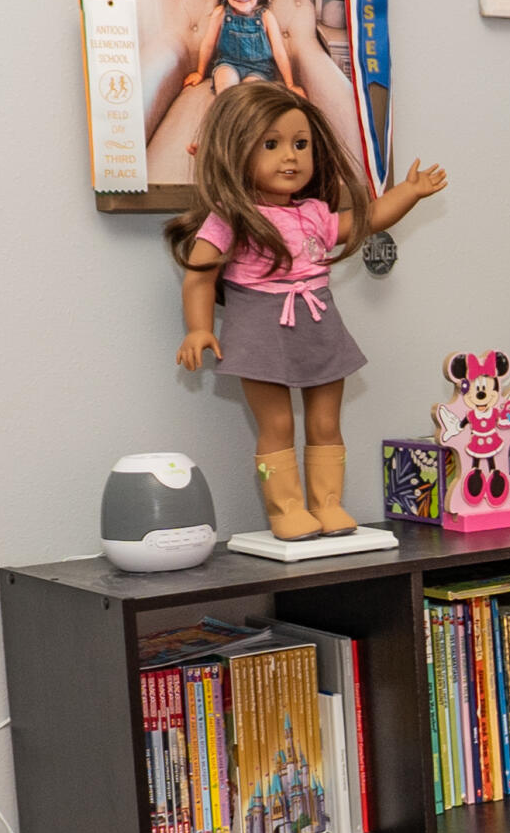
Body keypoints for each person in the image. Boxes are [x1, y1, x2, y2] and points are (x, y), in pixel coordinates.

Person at [165, 85, 447, 538]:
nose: (290, 157)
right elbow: (199, 275)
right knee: (276, 422)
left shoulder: (315, 212)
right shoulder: (230, 217)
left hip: (318, 319)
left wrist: (409, 194)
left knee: (324, 419)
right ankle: (287, 509)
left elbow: (366, 220)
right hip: (258, 323)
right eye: (271, 145)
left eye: (300, 144)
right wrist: (198, 329)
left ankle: (328, 504)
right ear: (235, 150)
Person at [180, 0, 305, 98]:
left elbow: (279, 52)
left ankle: (244, 115)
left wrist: (290, 84)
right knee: (225, 82)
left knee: (250, 93)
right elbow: (208, 44)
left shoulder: (266, 17)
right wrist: (200, 72)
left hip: (259, 70)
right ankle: (225, 111)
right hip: (228, 64)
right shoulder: (220, 14)